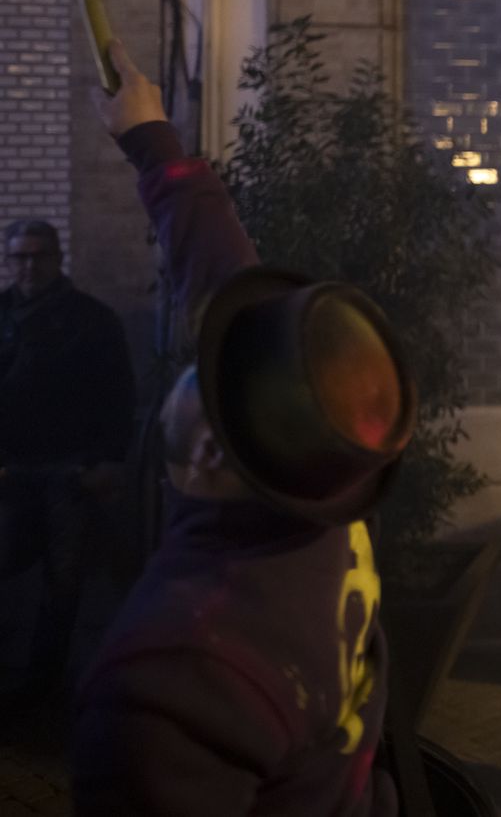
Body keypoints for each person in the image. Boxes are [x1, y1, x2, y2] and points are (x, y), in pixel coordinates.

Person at [70, 42, 412, 816]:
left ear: (209, 448)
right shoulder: (322, 487)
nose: (206, 360)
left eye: (208, 378)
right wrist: (149, 138)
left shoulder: (171, 681)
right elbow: (233, 292)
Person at [0, 217, 135, 701]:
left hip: (71, 473)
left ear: (57, 259)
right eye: (20, 256)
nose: (29, 265)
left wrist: (107, 462)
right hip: (10, 471)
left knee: (64, 583)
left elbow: (118, 399)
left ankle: (42, 686)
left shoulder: (93, 322)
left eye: (39, 255)